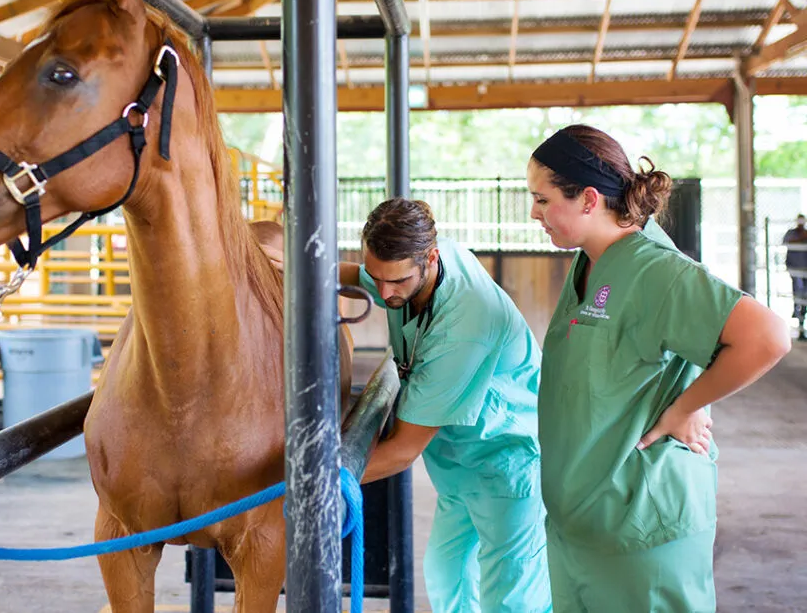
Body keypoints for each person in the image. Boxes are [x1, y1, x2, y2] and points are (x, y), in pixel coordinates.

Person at [525, 124, 791, 612]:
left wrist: (687, 406)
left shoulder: (654, 270)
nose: (534, 212)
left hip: (638, 531)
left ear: (588, 199)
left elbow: (768, 337)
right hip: (580, 526)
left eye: (542, 200)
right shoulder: (591, 261)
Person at [340, 197, 552, 613]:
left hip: (509, 467)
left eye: (396, 282)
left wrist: (313, 484)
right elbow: (362, 276)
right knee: (446, 575)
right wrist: (291, 268)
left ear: (430, 259)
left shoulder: (463, 326)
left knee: (512, 599)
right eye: (377, 277)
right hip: (461, 469)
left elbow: (402, 450)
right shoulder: (415, 265)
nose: (383, 294)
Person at [782, 214, 807, 341]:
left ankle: (802, 324)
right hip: (795, 270)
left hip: (805, 271)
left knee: (804, 298)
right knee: (798, 295)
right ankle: (798, 321)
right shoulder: (791, 233)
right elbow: (787, 242)